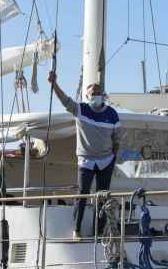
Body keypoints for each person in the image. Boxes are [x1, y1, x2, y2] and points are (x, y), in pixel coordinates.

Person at [48, 71, 120, 239]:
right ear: (87, 96)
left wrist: (113, 155)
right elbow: (65, 100)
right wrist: (54, 84)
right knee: (82, 195)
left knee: (102, 196)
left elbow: (116, 137)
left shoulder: (112, 114)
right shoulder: (81, 110)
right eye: (93, 94)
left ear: (103, 95)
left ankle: (99, 231)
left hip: (106, 160)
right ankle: (77, 229)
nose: (96, 96)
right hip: (86, 160)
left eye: (98, 93)